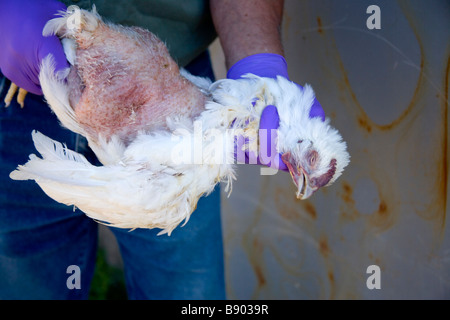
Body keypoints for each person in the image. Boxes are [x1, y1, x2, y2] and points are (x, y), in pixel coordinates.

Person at [0, 0, 292, 299]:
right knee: (29, 287)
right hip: (21, 85)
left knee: (186, 293)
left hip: (176, 90)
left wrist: (256, 66)